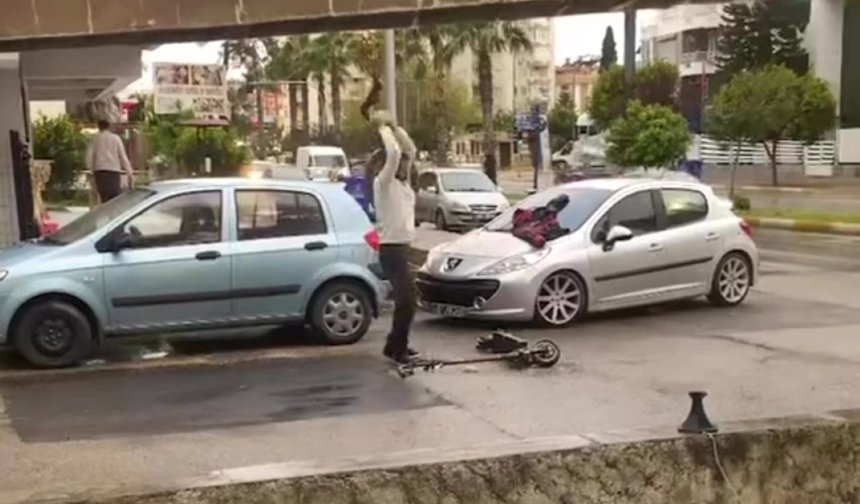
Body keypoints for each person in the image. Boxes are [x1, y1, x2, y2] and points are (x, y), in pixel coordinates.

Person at [372, 112, 419, 364]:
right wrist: (383, 128)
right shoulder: (383, 183)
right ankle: (397, 349)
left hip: (403, 248)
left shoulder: (403, 185)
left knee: (406, 301)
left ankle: (394, 345)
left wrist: (396, 127)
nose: (404, 165)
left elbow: (409, 149)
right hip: (391, 250)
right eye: (401, 164)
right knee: (407, 301)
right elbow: (395, 153)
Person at [86, 120, 134, 203]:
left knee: (104, 197)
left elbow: (89, 155)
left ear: (99, 127)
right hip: (113, 171)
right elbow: (123, 156)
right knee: (115, 197)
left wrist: (90, 169)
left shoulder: (95, 139)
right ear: (109, 127)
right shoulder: (116, 138)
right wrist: (129, 172)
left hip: (100, 171)